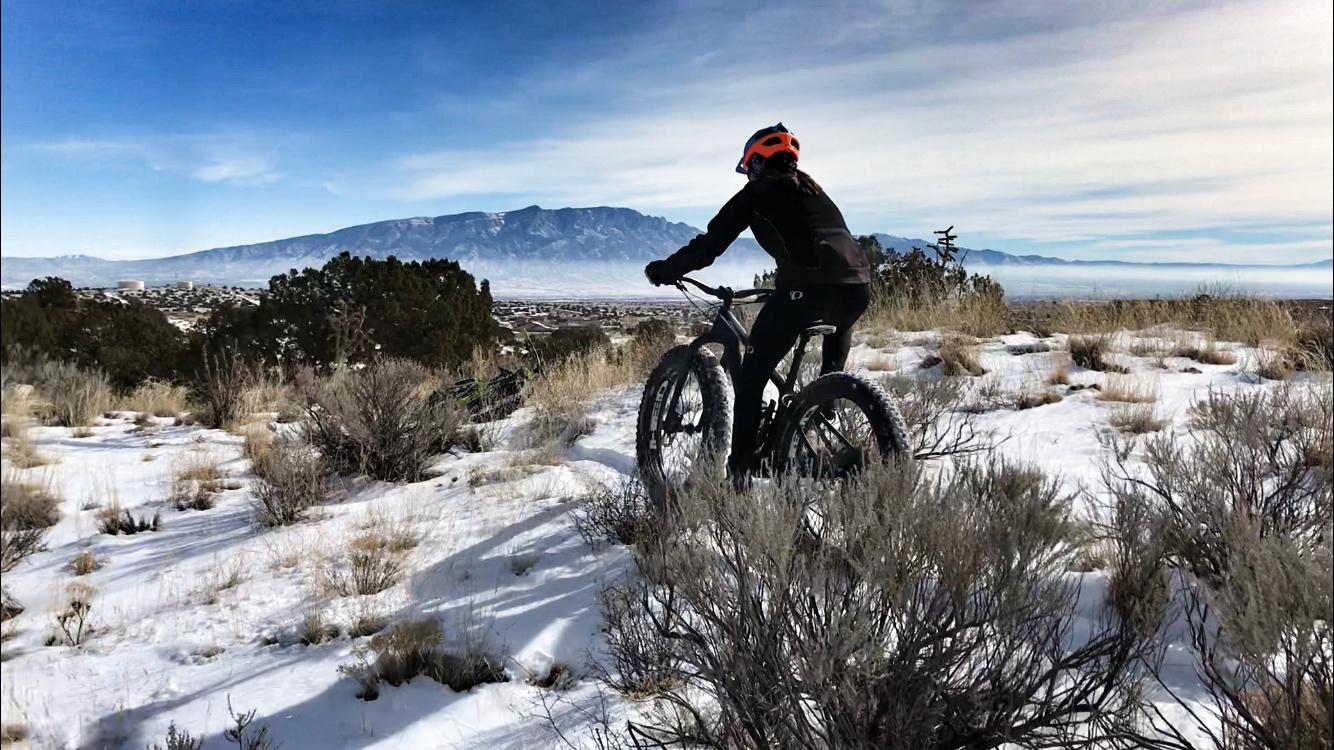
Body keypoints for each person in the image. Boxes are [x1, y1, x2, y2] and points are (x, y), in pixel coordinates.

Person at [644, 123, 872, 485]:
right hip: (857, 290)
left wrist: (665, 269)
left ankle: (740, 475)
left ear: (756, 163)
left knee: (752, 376)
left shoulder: (757, 192)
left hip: (806, 291)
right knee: (824, 377)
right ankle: (817, 414)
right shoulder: (814, 190)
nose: (749, 174)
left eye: (749, 167)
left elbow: (708, 247)